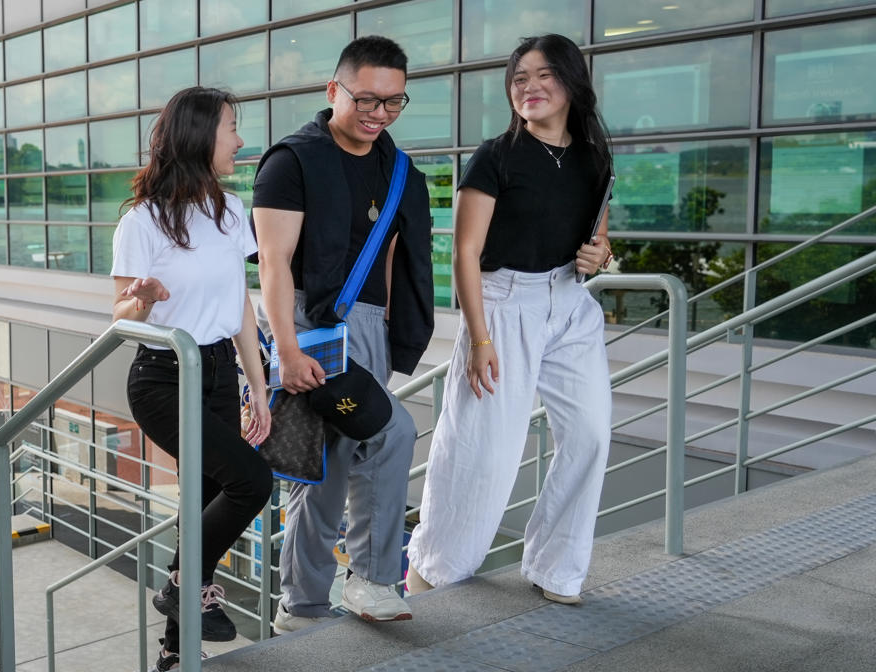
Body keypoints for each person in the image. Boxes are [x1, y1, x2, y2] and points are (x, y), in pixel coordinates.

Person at [407, 34, 615, 606]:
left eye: (544, 74)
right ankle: (435, 568)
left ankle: (557, 569)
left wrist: (601, 254)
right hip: (503, 305)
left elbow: (598, 236)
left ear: (571, 83)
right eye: (520, 77)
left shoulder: (594, 154)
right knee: (483, 450)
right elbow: (464, 254)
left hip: (570, 303)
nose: (530, 86)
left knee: (593, 435)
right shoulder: (495, 156)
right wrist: (478, 338)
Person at [251, 35, 435, 632]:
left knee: (340, 460)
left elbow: (397, 260)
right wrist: (286, 349)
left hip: (369, 329)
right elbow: (273, 264)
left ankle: (301, 608)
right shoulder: (292, 161)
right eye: (365, 99)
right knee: (385, 435)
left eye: (392, 102)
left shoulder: (401, 170)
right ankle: (366, 582)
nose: (378, 114)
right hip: (307, 327)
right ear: (334, 90)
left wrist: (390, 331)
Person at [110, 86, 275, 672]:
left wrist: (258, 383)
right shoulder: (143, 221)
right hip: (162, 376)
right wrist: (144, 299)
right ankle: (186, 582)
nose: (240, 140)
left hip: (219, 371)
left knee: (202, 499)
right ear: (201, 135)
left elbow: (242, 305)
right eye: (232, 127)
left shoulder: (231, 212)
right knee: (252, 481)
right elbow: (120, 318)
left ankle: (175, 653)